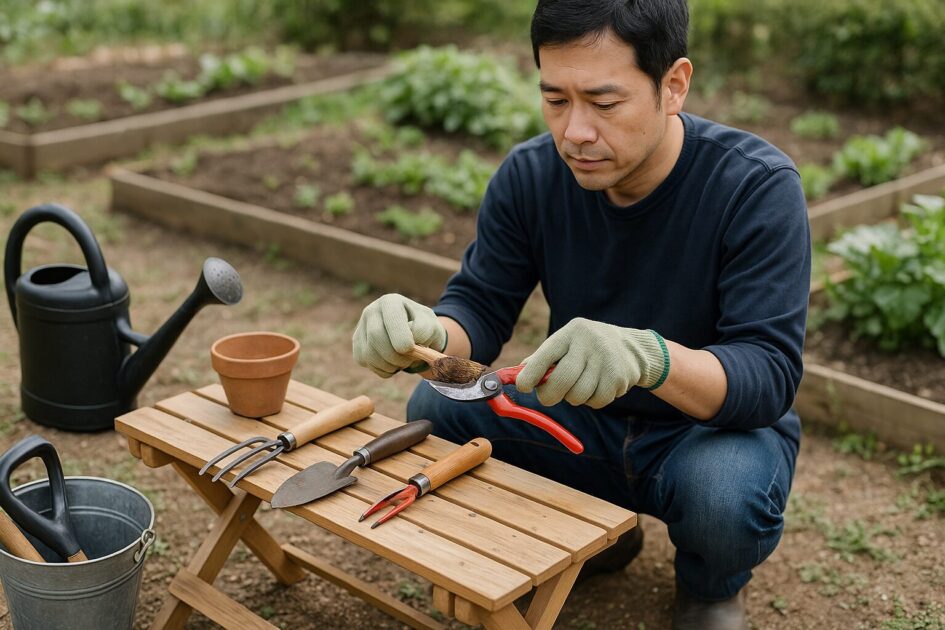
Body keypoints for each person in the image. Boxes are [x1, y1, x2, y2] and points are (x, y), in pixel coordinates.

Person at [352, 0, 810, 627]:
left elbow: (768, 375)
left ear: (673, 85)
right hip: (581, 414)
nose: (575, 132)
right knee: (436, 408)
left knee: (724, 496)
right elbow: (482, 305)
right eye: (556, 100)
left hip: (702, 431)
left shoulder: (754, 186)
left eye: (604, 102)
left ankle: (710, 587)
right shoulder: (531, 175)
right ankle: (602, 529)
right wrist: (429, 333)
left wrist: (652, 358)